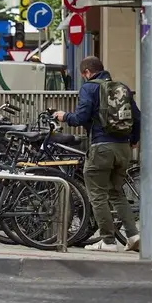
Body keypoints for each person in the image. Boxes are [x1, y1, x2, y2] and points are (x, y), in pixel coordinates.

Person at [54, 56, 141, 252]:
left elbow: (81, 117)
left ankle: (108, 241)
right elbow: (137, 116)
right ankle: (133, 236)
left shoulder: (89, 88)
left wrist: (64, 116)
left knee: (97, 195)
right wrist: (134, 139)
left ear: (86, 72)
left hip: (101, 147)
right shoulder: (122, 88)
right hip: (123, 148)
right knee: (116, 193)